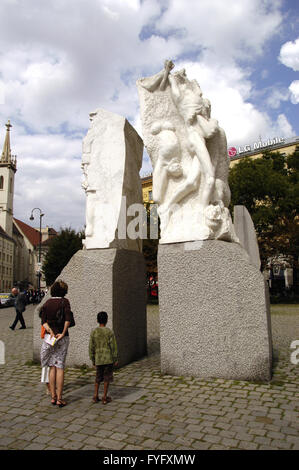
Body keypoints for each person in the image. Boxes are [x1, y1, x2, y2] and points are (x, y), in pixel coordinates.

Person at [40, 280, 72, 407]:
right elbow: (68, 319)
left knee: (51, 367)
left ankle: (52, 396)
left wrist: (50, 331)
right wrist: (63, 332)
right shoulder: (65, 302)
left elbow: (43, 321)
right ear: (64, 291)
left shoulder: (47, 303)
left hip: (50, 338)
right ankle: (59, 398)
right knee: (60, 367)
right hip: (62, 338)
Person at [89, 311, 118, 405]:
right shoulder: (109, 332)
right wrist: (115, 358)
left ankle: (95, 395)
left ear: (97, 320)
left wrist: (92, 359)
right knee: (107, 378)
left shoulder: (94, 332)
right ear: (106, 320)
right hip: (108, 358)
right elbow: (113, 346)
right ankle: (104, 397)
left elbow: (91, 347)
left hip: (98, 359)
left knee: (98, 378)